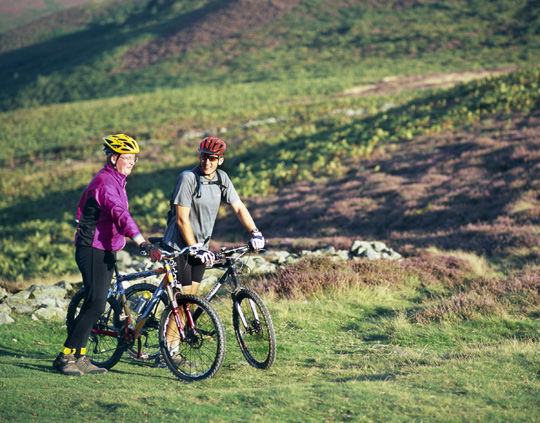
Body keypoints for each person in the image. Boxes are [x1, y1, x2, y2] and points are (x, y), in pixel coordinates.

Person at [53, 134, 162, 377]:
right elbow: (120, 214)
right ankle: (64, 357)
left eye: (135, 159)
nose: (133, 162)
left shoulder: (118, 180)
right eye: (128, 158)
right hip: (92, 249)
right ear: (114, 158)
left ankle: (80, 357)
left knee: (96, 303)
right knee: (96, 304)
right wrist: (141, 241)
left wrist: (143, 239)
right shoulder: (105, 183)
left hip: (105, 249)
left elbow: (117, 219)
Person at [162, 137, 265, 298]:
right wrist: (194, 248)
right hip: (179, 248)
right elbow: (182, 219)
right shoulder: (188, 178)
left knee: (190, 301)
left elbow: (238, 207)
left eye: (212, 158)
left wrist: (255, 232)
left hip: (201, 249)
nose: (207, 162)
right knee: (182, 304)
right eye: (203, 157)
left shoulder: (221, 178)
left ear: (220, 160)